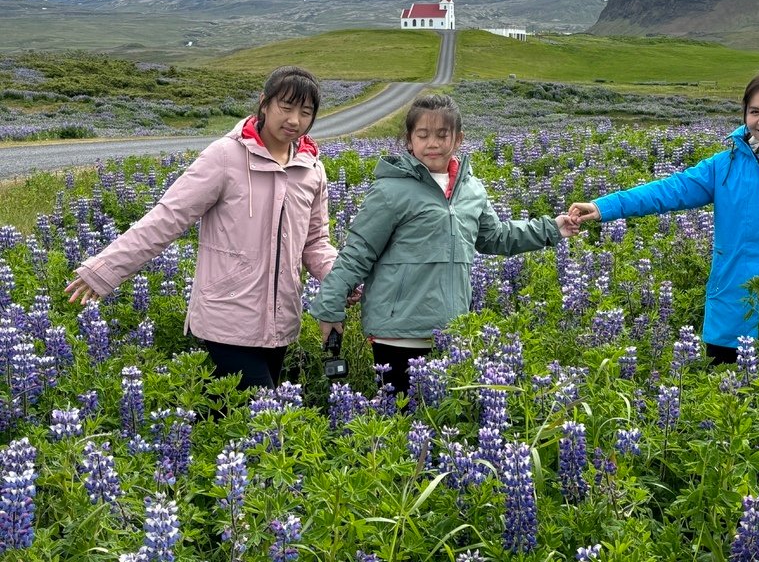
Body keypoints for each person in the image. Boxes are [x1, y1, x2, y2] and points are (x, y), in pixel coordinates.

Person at [65, 66, 337, 389]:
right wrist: (104, 270)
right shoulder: (226, 156)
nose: (294, 120)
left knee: (238, 423)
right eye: (286, 107)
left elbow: (317, 243)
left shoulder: (311, 169)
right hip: (227, 317)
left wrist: (343, 280)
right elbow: (167, 218)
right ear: (264, 103)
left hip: (281, 323)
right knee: (266, 419)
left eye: (305, 112)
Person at [568, 75, 759, 364]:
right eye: (754, 111)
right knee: (725, 396)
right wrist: (604, 207)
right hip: (733, 303)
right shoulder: (724, 164)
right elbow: (669, 190)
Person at [311, 93, 578, 396]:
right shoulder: (390, 190)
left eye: (442, 134)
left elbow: (497, 236)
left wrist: (552, 228)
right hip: (398, 333)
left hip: (451, 332)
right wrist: (330, 306)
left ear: (458, 139)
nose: (433, 143)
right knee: (400, 422)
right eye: (423, 135)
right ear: (409, 140)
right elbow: (358, 252)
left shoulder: (471, 189)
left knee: (441, 425)